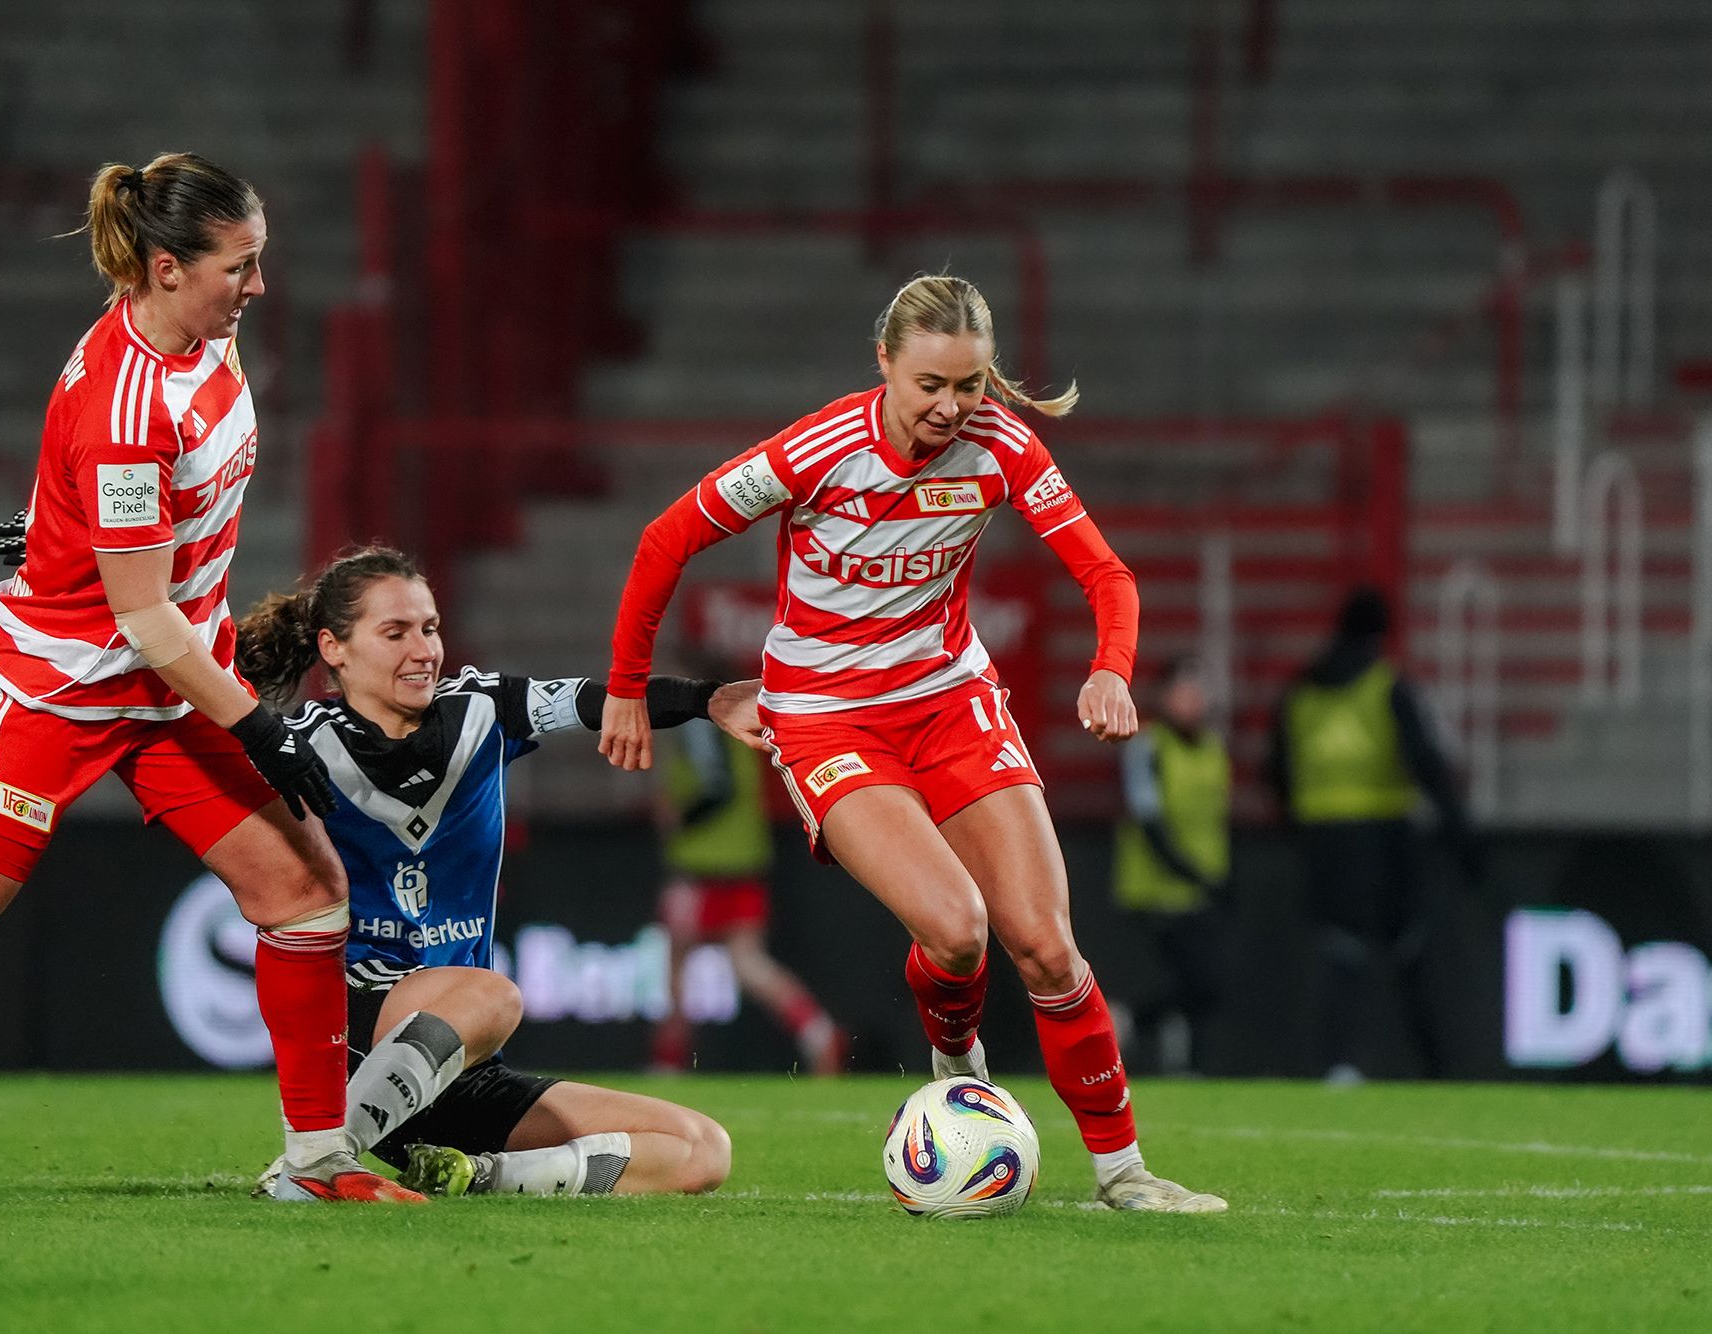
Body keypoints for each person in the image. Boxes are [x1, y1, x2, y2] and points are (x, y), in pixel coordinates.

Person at [598, 274, 1226, 1213]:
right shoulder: (815, 453)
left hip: (950, 701)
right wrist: (626, 692)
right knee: (957, 928)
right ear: (885, 362)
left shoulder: (1004, 447)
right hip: (823, 718)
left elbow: (1107, 572)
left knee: (1049, 948)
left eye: (969, 386)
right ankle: (958, 1060)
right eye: (930, 383)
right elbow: (664, 539)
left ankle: (1123, 1173)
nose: (949, 407)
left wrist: (1111, 668)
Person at [0, 154, 416, 1203]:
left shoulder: (206, 337)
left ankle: (315, 1163)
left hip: (166, 689)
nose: (258, 286)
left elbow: (146, 548)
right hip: (62, 694)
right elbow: (140, 614)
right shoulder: (129, 409)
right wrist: (260, 730)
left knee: (307, 894)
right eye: (241, 264)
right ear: (166, 268)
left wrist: (52, 538)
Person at [231, 547, 737, 1197]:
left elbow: (599, 702)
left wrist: (710, 700)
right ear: (334, 648)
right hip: (360, 1038)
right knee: (494, 992)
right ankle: (320, 1160)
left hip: (464, 1065)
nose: (423, 649)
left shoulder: (481, 711)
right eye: (395, 633)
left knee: (699, 1151)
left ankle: (470, 1176)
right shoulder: (300, 749)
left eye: (430, 627)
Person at [1264, 584, 1479, 1084]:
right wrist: (1462, 836)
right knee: (1411, 948)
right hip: (1386, 834)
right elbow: (1428, 763)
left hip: (1322, 838)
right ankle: (1436, 1064)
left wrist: (1299, 827)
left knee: (1341, 950)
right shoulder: (1387, 686)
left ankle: (1340, 1062)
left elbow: (1276, 769)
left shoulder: (1301, 693)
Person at [650, 648, 846, 1075]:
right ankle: (816, 1030)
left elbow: (717, 786)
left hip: (702, 863)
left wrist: (680, 817)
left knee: (677, 964)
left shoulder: (698, 722)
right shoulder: (738, 718)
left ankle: (668, 1065)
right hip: (745, 858)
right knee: (747, 963)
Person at [1111, 658, 1229, 1074]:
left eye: (1200, 691)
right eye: (1185, 690)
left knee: (1202, 986)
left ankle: (1185, 1063)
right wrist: (1191, 873)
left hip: (1201, 891)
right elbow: (1149, 823)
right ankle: (1128, 1022)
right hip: (1155, 890)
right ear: (1164, 696)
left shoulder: (1213, 748)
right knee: (1200, 982)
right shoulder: (1148, 747)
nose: (1195, 701)